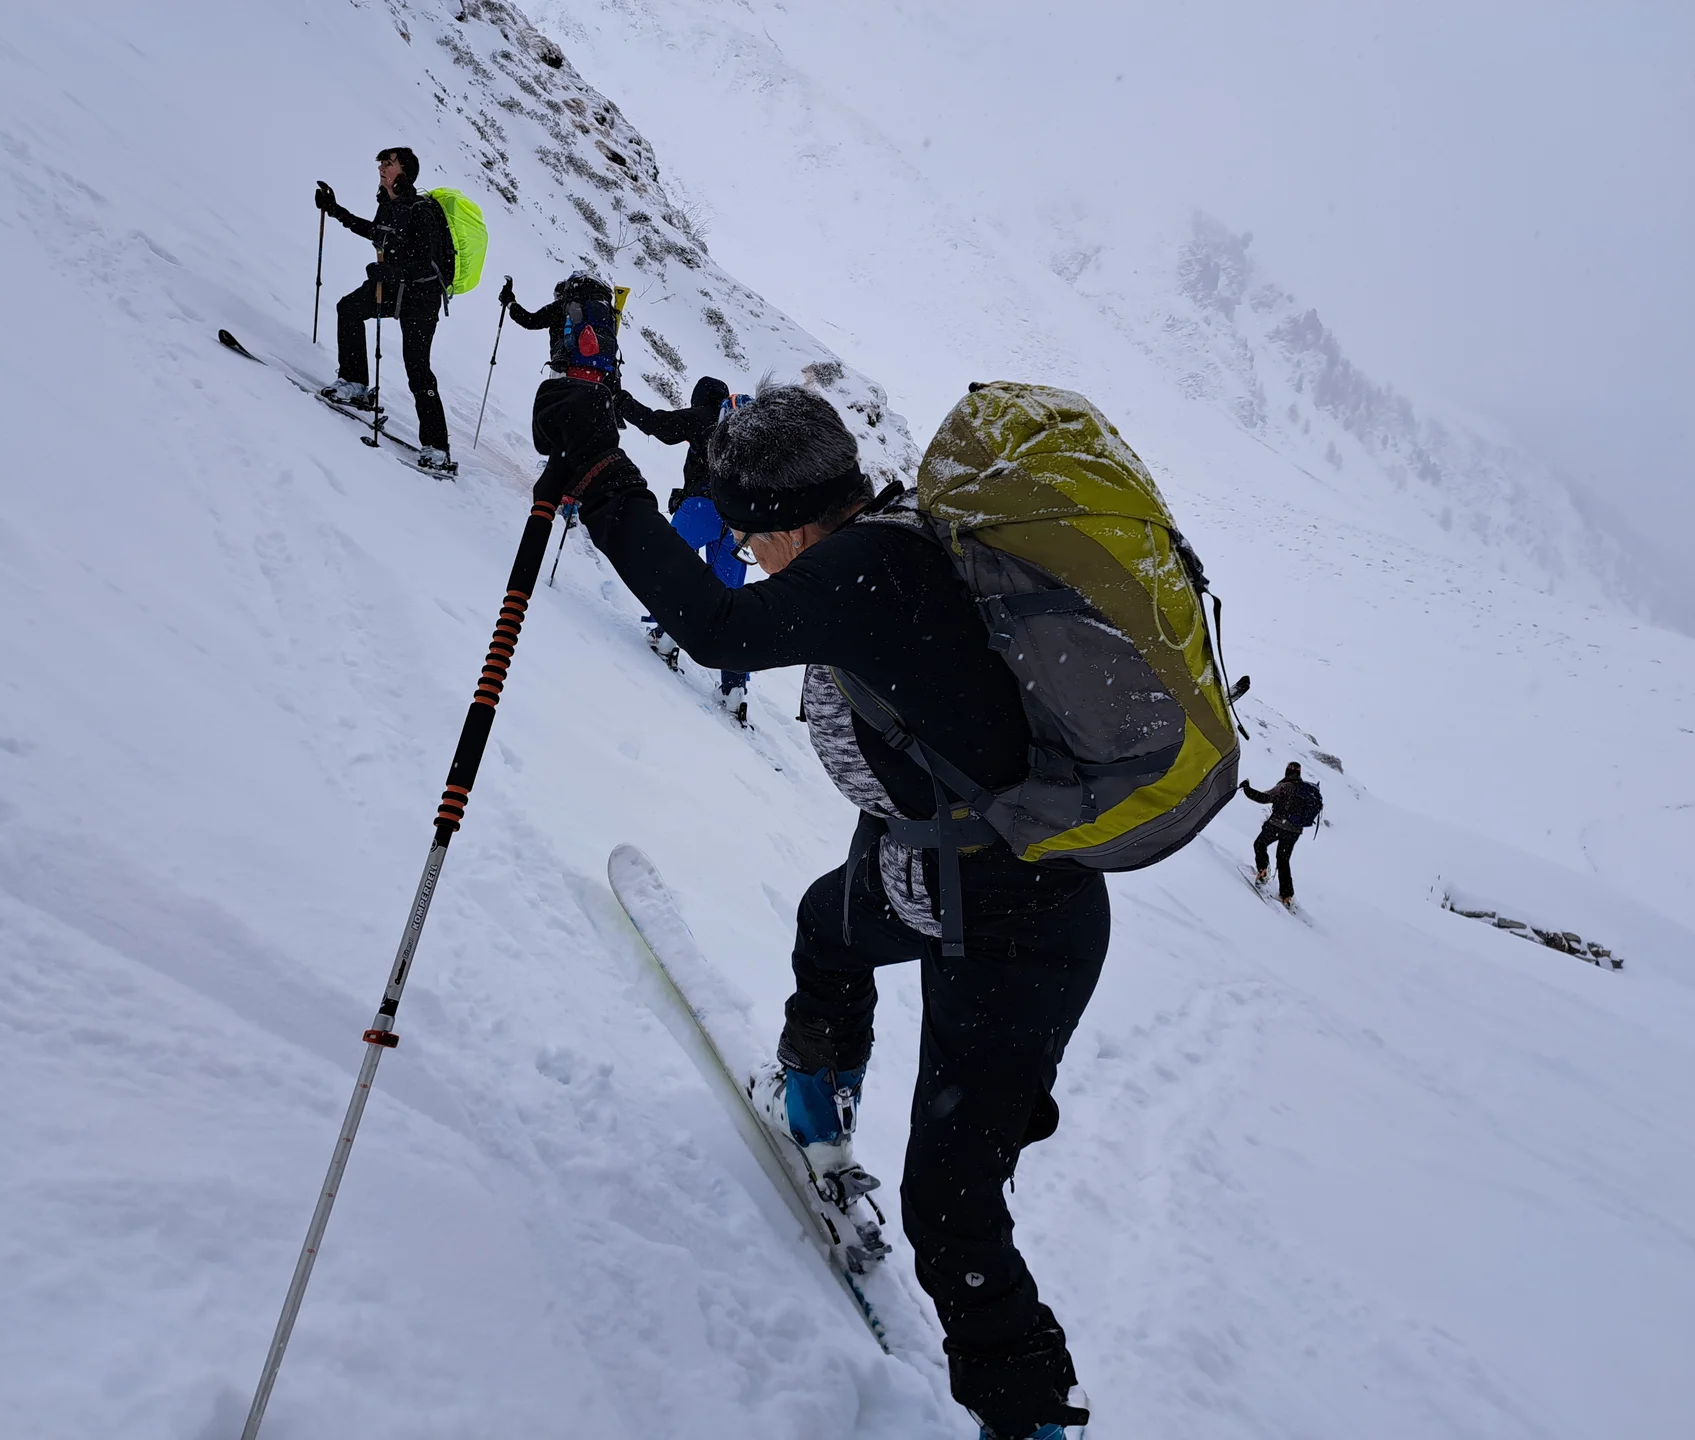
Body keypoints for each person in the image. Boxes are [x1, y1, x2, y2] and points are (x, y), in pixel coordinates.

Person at [531, 377, 1100, 1440]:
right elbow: (915, 762)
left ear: (793, 520)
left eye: (751, 535)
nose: (748, 554)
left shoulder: (869, 569)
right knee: (826, 929)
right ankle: (815, 1116)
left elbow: (714, 626)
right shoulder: (886, 544)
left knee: (952, 1209)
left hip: (1023, 929)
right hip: (937, 878)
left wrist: (604, 478)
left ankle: (1031, 1424)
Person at [315, 148, 456, 471]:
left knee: (417, 368)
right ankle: (355, 383)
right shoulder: (388, 205)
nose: (381, 167)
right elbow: (375, 233)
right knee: (349, 308)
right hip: (393, 287)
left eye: (389, 163)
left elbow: (426, 265)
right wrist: (335, 211)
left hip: (422, 298)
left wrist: (393, 272)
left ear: (404, 171)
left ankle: (438, 448)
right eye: (382, 163)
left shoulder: (421, 211)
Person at [617, 377, 750, 715]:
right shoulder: (744, 432)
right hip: (739, 524)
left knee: (668, 566)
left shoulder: (703, 416)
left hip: (701, 509)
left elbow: (658, 424)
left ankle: (666, 636)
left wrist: (621, 400)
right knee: (731, 602)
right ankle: (734, 689)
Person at [498, 272, 623, 393]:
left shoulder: (561, 307)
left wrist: (510, 302)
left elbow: (530, 321)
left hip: (566, 368)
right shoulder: (606, 314)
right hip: (603, 376)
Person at [1241, 760, 1319, 906]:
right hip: (1294, 831)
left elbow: (1263, 798)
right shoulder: (1305, 790)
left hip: (1276, 825)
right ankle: (1287, 895)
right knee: (1283, 859)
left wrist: (1246, 788)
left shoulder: (1284, 787)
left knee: (1260, 844)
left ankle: (1263, 871)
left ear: (1287, 771)